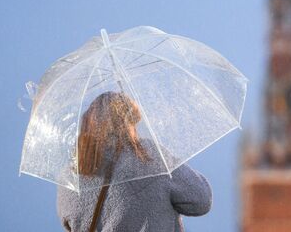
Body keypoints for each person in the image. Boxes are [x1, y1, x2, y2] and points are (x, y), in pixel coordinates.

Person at [57, 91, 212, 232]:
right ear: (126, 123)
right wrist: (170, 162)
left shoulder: (68, 178)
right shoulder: (148, 155)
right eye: (133, 122)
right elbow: (201, 200)